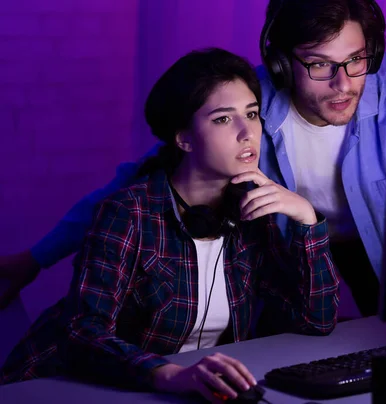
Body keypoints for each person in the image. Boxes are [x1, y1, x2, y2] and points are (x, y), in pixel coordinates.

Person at [0, 0, 386, 318]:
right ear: (283, 63)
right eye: (320, 65)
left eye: (355, 61)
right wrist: (35, 258)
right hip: (291, 253)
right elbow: (137, 183)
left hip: (377, 249)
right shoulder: (244, 107)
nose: (342, 85)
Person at [0, 48, 339, 402]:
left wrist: (306, 219)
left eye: (252, 114)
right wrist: (169, 373)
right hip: (66, 385)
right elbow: (83, 332)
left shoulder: (252, 209)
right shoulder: (128, 212)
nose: (247, 133)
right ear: (183, 138)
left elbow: (315, 323)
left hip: (181, 391)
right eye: (223, 119)